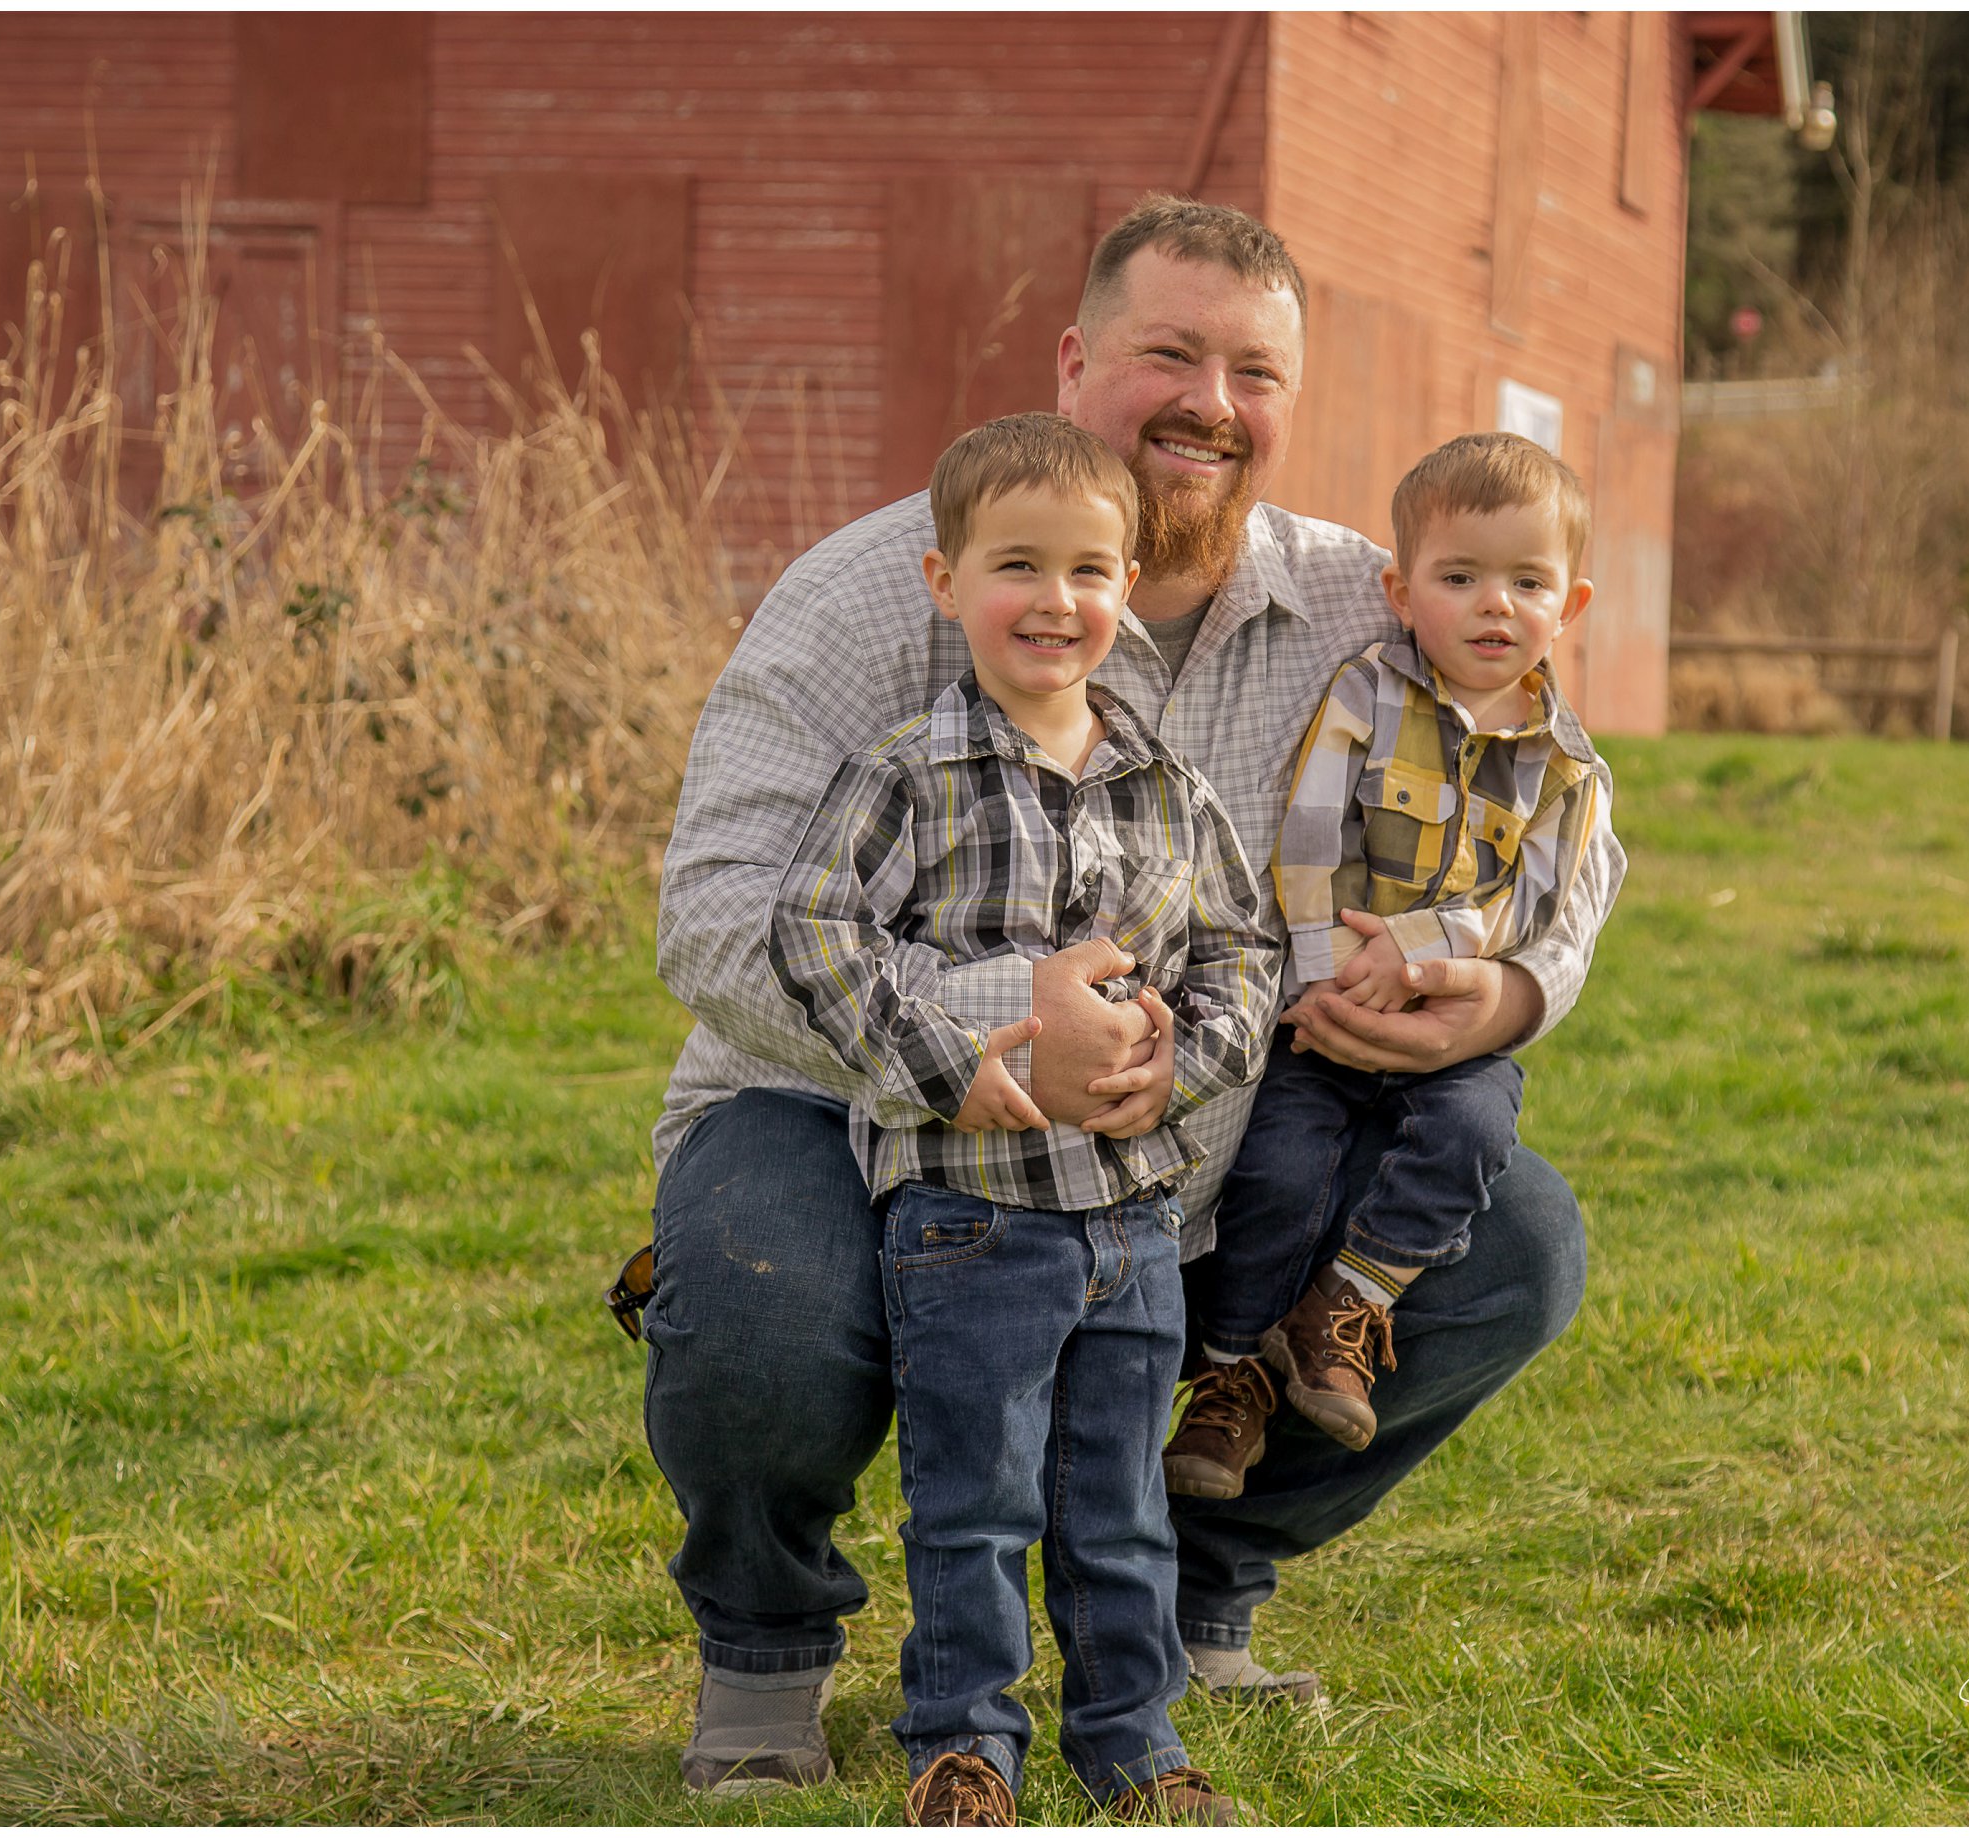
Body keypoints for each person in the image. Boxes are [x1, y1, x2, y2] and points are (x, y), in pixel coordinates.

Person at [645, 195, 1627, 1797]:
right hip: (852, 1116)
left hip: (1210, 1137)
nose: (1209, 405)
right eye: (1168, 353)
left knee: (1509, 1239)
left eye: (1254, 371)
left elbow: (1566, 813)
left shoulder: (1366, 605)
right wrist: (997, 1016)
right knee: (758, 1283)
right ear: (1073, 357)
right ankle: (765, 1651)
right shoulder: (866, 596)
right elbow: (711, 920)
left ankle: (1184, 1596)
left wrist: (1512, 992)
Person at [765, 411, 1276, 1825]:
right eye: (1016, 565)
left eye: (1090, 570)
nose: (1056, 600)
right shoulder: (905, 773)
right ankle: (964, 1743)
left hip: (1128, 1215)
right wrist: (940, 1053)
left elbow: (1241, 949)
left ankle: (1133, 1743)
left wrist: (1183, 1069)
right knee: (976, 1498)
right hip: (970, 1216)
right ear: (944, 582)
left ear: (1126, 591)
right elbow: (809, 929)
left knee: (1116, 1504)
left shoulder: (1167, 789)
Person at [1161, 433, 1608, 1500]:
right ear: (1400, 592)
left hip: (1443, 1011)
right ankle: (1229, 1378)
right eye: (1459, 578)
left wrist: (1430, 953)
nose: (1493, 604)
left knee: (1471, 1133)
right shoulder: (1363, 696)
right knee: (1278, 1169)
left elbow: (1532, 901)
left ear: (1569, 605)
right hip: (1320, 1009)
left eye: (1526, 582)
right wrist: (1318, 975)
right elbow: (1308, 838)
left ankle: (1346, 1307)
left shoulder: (1566, 765)